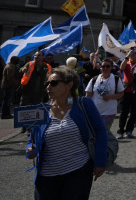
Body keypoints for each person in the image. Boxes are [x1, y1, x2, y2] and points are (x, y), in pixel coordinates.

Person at [25, 66, 107, 199]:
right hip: (46, 177)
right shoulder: (41, 111)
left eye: (53, 83)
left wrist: (100, 162)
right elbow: (32, 141)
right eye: (47, 84)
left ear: (69, 85)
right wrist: (30, 149)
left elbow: (100, 131)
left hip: (78, 173)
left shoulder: (84, 104)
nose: (48, 87)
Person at [85, 57, 124, 129]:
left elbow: (121, 93)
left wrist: (110, 96)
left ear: (112, 67)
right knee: (95, 131)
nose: (105, 68)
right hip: (95, 111)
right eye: (103, 66)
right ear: (100, 67)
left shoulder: (116, 79)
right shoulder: (94, 79)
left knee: (104, 131)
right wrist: (88, 108)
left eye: (107, 66)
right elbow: (88, 95)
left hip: (109, 111)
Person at [117, 49, 136, 138]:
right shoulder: (126, 63)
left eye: (135, 53)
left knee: (134, 112)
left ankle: (129, 130)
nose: (133, 55)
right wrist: (127, 57)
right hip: (126, 90)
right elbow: (121, 68)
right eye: (132, 53)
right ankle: (120, 131)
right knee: (124, 112)